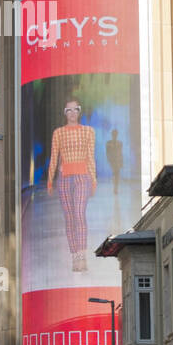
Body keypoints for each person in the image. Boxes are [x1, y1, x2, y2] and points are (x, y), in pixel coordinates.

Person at [47, 99, 97, 272]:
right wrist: (49, 180)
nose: (72, 113)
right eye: (69, 110)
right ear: (65, 112)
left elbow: (90, 156)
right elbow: (54, 156)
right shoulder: (58, 133)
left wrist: (93, 179)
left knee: (79, 214)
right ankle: (74, 256)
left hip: (82, 177)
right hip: (64, 178)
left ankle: (82, 255)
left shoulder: (88, 131)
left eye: (76, 109)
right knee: (69, 218)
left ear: (80, 111)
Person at [105, 129, 124, 196]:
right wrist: (109, 159)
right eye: (114, 134)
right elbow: (107, 152)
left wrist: (121, 162)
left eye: (116, 134)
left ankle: (115, 188)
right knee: (115, 174)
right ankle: (115, 187)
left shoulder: (120, 143)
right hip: (112, 161)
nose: (115, 135)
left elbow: (120, 153)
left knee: (116, 174)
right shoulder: (108, 143)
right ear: (112, 135)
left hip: (117, 161)